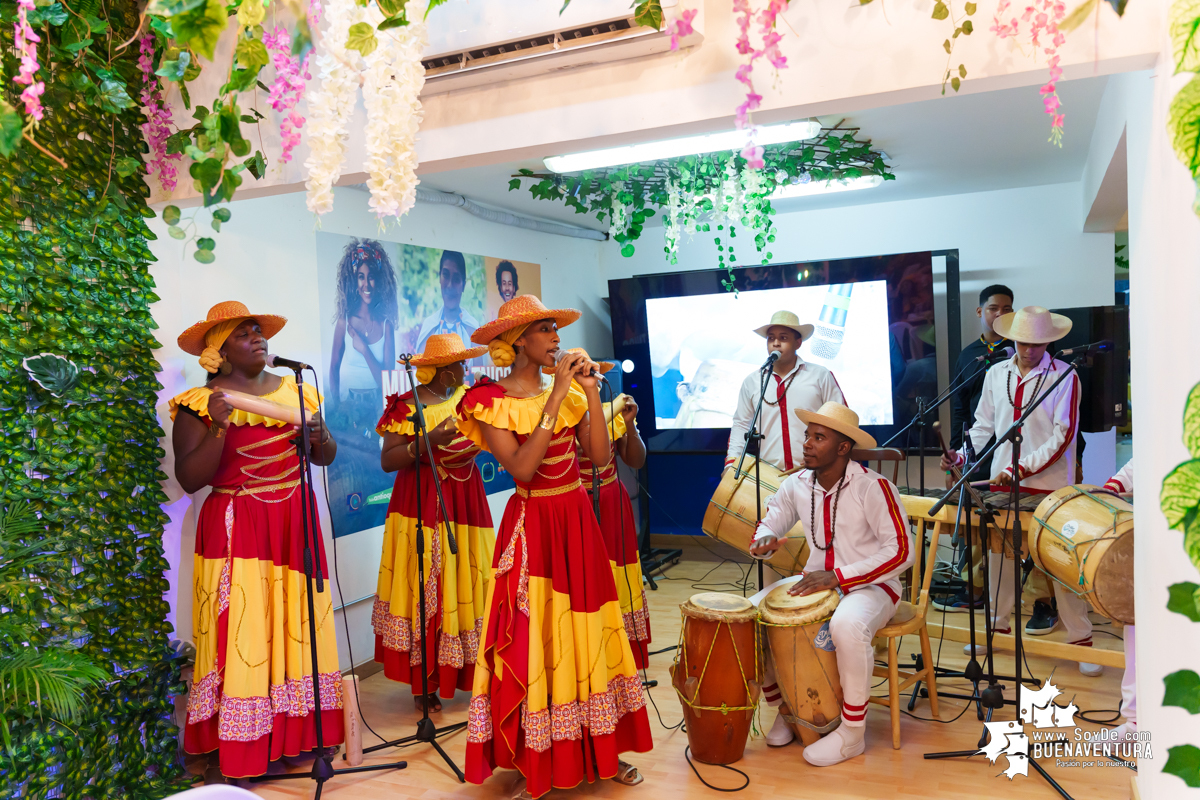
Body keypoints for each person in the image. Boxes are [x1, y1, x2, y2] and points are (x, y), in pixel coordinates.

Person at [460, 296, 653, 800]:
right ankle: (536, 758)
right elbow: (522, 469)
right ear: (518, 341)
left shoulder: (566, 393)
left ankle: (600, 750)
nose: (555, 337)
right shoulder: (489, 400)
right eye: (545, 330)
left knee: (590, 633)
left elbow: (599, 457)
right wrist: (558, 393)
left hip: (577, 522)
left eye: (553, 328)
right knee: (534, 637)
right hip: (534, 526)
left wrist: (588, 392)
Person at [170, 301, 343, 782]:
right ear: (218, 352)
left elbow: (325, 454)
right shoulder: (198, 404)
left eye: (258, 330)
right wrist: (221, 425)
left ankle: (299, 735)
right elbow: (189, 479)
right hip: (237, 525)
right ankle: (243, 748)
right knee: (244, 631)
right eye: (244, 334)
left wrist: (319, 433)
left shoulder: (296, 390)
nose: (257, 337)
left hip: (293, 518)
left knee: (297, 623)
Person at [749, 402, 915, 765]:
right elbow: (771, 520)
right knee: (750, 616)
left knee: (846, 625)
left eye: (818, 437)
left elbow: (902, 552)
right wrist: (764, 540)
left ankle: (852, 734)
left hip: (873, 587)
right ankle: (787, 711)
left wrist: (840, 577)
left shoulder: (874, 487)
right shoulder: (796, 484)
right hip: (817, 581)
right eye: (808, 435)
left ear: (843, 448)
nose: (807, 443)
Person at [940, 306, 1102, 676]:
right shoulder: (996, 373)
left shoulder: (1065, 377)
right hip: (1003, 483)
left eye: (1036, 343)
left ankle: (1082, 640)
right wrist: (963, 455)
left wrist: (1022, 468)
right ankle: (996, 630)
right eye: (1023, 342)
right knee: (1000, 560)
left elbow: (1064, 436)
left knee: (1061, 564)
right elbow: (983, 425)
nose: (1028, 349)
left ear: (1049, 341)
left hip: (1049, 486)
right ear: (1013, 339)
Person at [372, 334, 495, 712]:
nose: (466, 370)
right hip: (419, 501)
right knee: (426, 582)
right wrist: (426, 440)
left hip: (465, 500)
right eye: (460, 364)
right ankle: (423, 681)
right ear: (442, 373)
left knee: (466, 580)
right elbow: (389, 460)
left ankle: (470, 672)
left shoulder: (470, 400)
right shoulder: (407, 406)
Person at [937, 284, 1014, 613]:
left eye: (1007, 308)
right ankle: (975, 590)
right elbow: (959, 405)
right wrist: (957, 452)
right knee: (971, 520)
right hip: (973, 448)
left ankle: (1013, 593)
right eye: (995, 308)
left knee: (1004, 522)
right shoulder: (969, 354)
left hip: (1009, 450)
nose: (1001, 314)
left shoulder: (1018, 351)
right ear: (981, 311)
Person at [571, 353, 652, 668]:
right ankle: (589, 651)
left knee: (618, 573)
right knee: (585, 576)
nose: (585, 376)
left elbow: (635, 460)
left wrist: (630, 425)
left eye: (589, 372)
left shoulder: (611, 410)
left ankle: (622, 653)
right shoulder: (562, 413)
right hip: (576, 505)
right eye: (578, 372)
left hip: (609, 500)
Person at [725, 310, 845, 474]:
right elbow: (741, 424)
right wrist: (731, 464)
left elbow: (841, 421)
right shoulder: (753, 381)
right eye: (771, 338)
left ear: (798, 343)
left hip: (815, 471)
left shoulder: (820, 376)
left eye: (783, 338)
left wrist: (826, 455)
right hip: (769, 475)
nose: (775, 343)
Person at [329, 239, 398, 404]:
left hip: (378, 408)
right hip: (352, 407)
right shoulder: (344, 322)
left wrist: (365, 350)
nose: (366, 284)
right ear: (354, 281)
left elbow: (387, 384)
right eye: (361, 277)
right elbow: (333, 369)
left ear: (379, 281)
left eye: (371, 277)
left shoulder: (386, 325)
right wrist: (338, 407)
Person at [1104, 459, 1137, 741]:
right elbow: (1148, 457)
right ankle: (1136, 723)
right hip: (1156, 537)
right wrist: (1114, 485)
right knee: (1135, 622)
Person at [417, 250, 479, 353]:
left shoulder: (473, 331)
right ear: (439, 279)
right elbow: (419, 368)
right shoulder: (429, 327)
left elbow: (479, 369)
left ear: (463, 285)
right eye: (445, 275)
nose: (450, 285)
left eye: (456, 279)